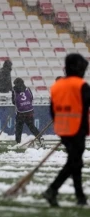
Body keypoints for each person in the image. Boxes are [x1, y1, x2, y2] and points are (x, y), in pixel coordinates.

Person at [43, 53, 90, 207]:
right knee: (74, 163)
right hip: (78, 129)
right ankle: (52, 189)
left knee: (75, 162)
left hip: (63, 129)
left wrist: (60, 127)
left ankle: (80, 197)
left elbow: (52, 110)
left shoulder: (57, 86)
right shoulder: (81, 85)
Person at [11, 78, 43, 145]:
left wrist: (20, 105)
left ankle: (18, 142)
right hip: (29, 111)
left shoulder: (14, 90)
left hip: (20, 113)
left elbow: (14, 101)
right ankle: (40, 137)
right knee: (32, 127)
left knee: (19, 128)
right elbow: (31, 97)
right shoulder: (27, 89)